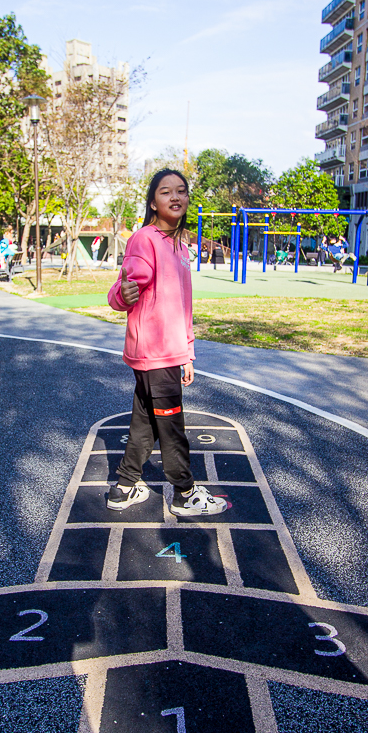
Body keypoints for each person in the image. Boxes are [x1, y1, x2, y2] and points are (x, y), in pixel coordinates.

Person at [106, 168, 227, 517]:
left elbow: (183, 306)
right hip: (154, 352)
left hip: (168, 352)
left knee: (144, 421)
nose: (175, 197)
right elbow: (124, 288)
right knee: (172, 427)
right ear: (152, 202)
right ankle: (185, 494)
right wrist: (122, 294)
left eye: (181, 191)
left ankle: (125, 486)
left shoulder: (180, 246)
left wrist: (187, 352)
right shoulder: (145, 239)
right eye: (165, 192)